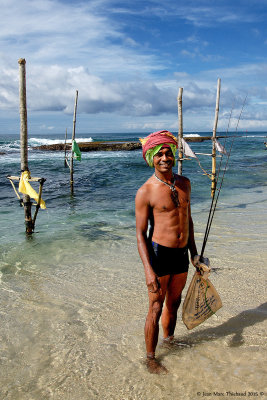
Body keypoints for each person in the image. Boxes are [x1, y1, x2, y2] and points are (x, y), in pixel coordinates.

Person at [135, 130, 205, 374]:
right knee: (155, 307)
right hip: (159, 254)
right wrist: (148, 271)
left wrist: (194, 255)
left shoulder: (184, 184)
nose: (164, 157)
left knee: (173, 303)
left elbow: (188, 220)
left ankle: (170, 342)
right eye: (159, 154)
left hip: (181, 255)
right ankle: (151, 358)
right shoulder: (146, 191)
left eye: (168, 153)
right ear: (151, 158)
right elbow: (140, 234)